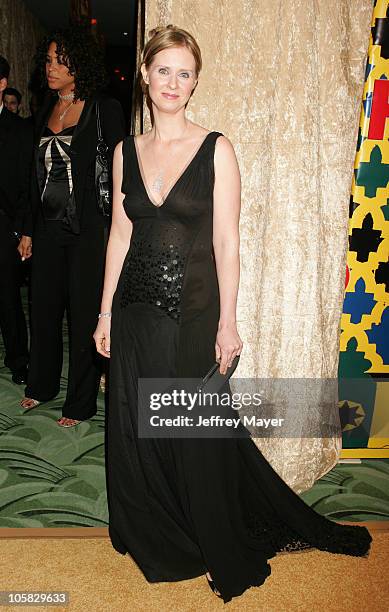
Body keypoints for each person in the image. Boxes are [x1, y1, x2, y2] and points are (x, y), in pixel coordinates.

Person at [94, 25, 372, 603]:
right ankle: (154, 532)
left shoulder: (216, 147)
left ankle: (207, 531)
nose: (172, 82)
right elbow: (119, 236)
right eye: (163, 70)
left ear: (194, 84)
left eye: (184, 73)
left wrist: (229, 321)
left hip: (194, 314)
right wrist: (103, 314)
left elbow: (228, 242)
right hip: (135, 312)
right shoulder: (125, 151)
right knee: (136, 428)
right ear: (146, 76)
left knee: (192, 431)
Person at [20, 24, 126, 427]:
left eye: (59, 60)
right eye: (48, 60)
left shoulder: (103, 108)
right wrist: (28, 228)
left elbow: (120, 170)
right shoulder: (45, 107)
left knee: (84, 317)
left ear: (78, 65)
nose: (51, 67)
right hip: (47, 228)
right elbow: (34, 177)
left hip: (87, 230)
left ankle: (79, 404)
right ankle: (40, 385)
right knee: (43, 311)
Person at [0, 56, 32, 385]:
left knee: (8, 297)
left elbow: (27, 184)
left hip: (3, 225)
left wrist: (24, 230)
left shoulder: (19, 130)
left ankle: (19, 360)